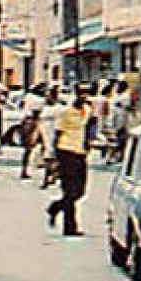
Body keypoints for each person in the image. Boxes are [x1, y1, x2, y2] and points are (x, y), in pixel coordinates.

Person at [46, 89, 91, 236]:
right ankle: (70, 226)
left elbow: (87, 130)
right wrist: (54, 156)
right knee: (70, 190)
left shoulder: (87, 111)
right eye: (81, 94)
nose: (83, 97)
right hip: (66, 151)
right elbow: (57, 134)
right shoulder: (66, 113)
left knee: (80, 191)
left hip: (80, 153)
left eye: (86, 94)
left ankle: (56, 207)